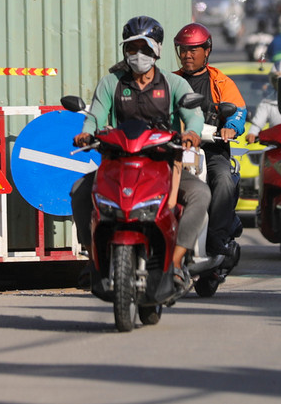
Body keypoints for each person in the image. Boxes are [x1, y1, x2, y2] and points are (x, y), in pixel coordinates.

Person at [71, 16, 205, 289]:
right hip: (119, 161)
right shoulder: (111, 82)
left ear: (156, 50)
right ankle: (92, 258)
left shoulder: (172, 83)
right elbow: (95, 116)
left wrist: (192, 133)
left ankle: (177, 261)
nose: (137, 55)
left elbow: (194, 115)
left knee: (201, 195)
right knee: (79, 191)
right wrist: (87, 132)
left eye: (144, 48)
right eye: (131, 49)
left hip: (164, 163)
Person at [172, 22, 247, 254]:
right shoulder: (170, 81)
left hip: (212, 150)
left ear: (207, 51)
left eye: (193, 50)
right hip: (176, 148)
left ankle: (216, 237)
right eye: (183, 50)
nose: (187, 55)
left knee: (224, 179)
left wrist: (231, 127)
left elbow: (238, 111)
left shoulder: (221, 82)